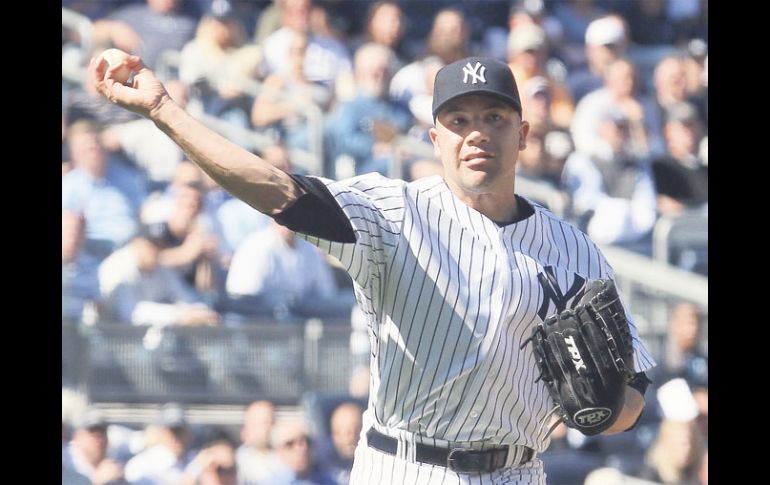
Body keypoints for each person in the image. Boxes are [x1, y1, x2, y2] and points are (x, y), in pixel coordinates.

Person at [90, 51, 656, 484]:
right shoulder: (395, 213)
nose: (477, 133)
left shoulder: (575, 250)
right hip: (404, 466)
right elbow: (277, 191)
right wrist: (164, 112)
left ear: (524, 134)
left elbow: (633, 395)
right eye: (458, 120)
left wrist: (606, 408)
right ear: (435, 139)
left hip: (517, 470)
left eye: (495, 117)